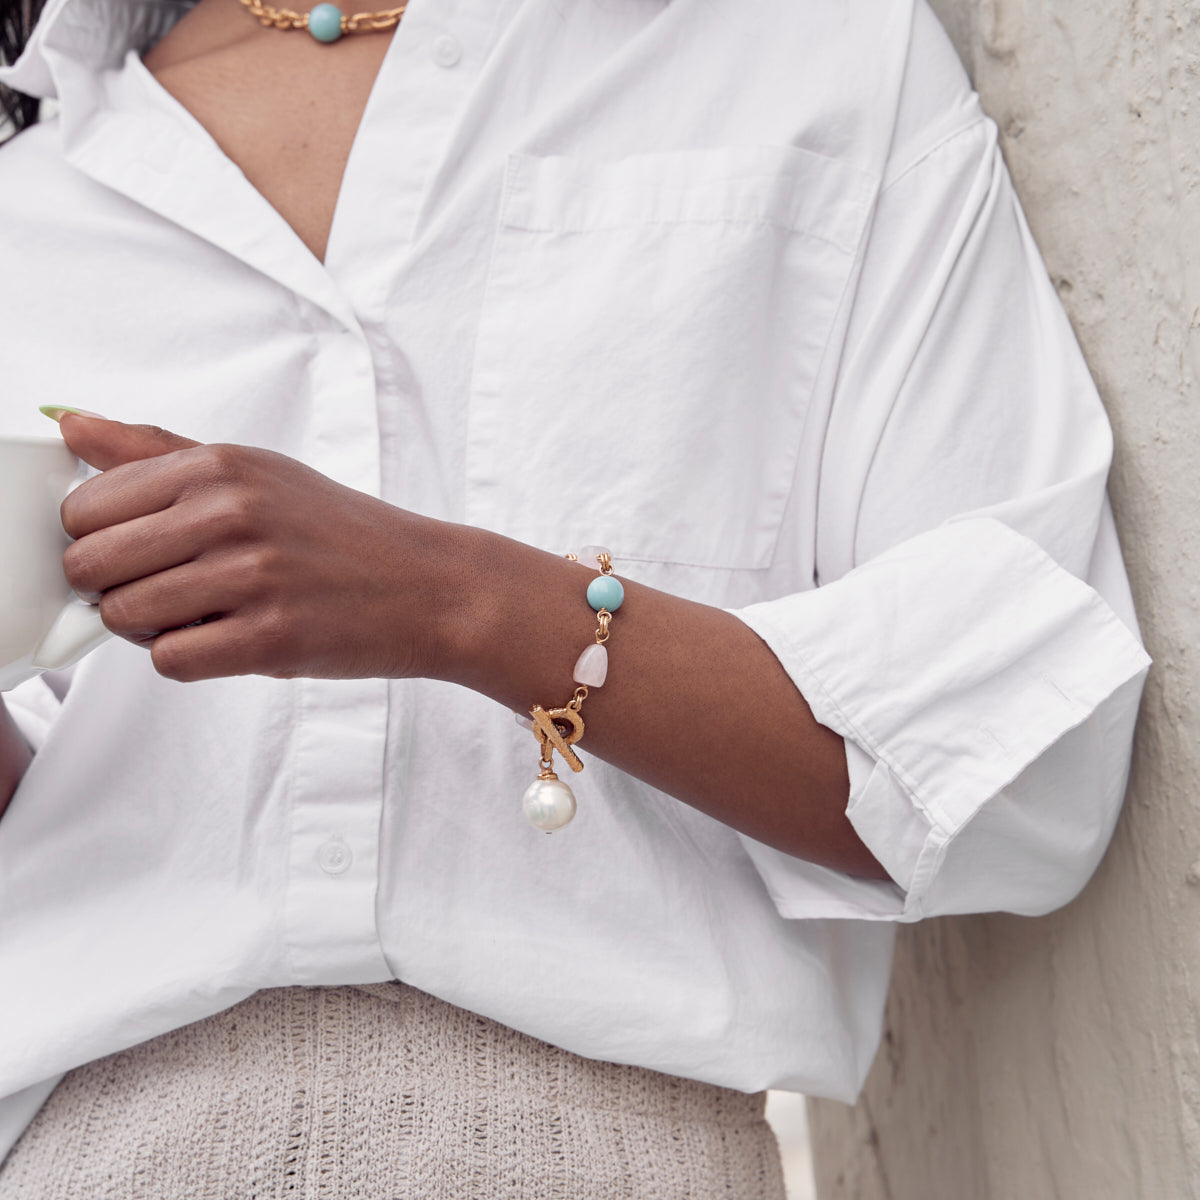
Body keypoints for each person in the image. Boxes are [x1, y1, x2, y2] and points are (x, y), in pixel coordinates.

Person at [0, 0, 1150, 1193]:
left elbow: (1028, 761)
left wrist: (456, 602)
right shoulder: (34, 192)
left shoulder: (814, 62)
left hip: (612, 1156)